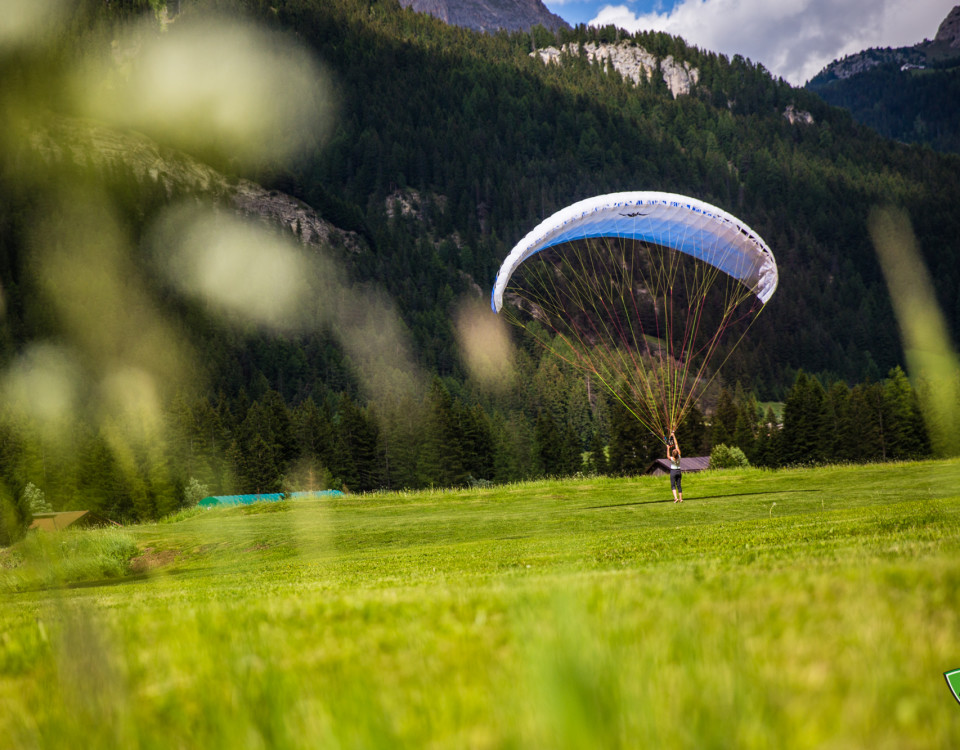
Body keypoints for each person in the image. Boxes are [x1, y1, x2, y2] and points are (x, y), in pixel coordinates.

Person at [667, 432, 683, 503]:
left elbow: (667, 455)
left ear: (673, 454)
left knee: (673, 485)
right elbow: (676, 444)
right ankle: (681, 499)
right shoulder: (679, 456)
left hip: (673, 471)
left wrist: (667, 448)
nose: (674, 449)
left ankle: (676, 498)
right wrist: (674, 436)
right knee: (679, 485)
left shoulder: (671, 458)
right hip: (679, 471)